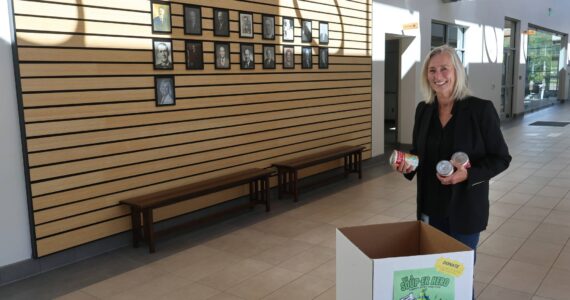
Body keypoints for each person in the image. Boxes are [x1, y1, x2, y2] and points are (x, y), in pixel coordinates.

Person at [392, 45, 511, 258]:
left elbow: (501, 158)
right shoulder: (423, 109)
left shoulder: (480, 110)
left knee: (458, 276)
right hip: (430, 206)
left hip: (465, 209)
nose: (438, 76)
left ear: (457, 71)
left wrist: (468, 174)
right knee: (432, 269)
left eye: (444, 69)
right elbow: (419, 152)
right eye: (432, 70)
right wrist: (407, 165)